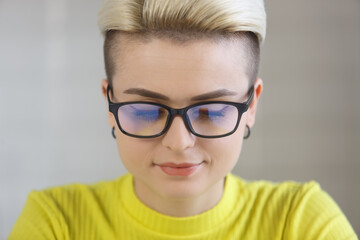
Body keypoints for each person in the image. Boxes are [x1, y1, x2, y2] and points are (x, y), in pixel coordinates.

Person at [9, 0, 358, 239]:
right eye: (146, 110)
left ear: (251, 106)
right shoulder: (57, 224)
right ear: (109, 102)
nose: (178, 143)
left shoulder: (300, 223)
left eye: (210, 111)